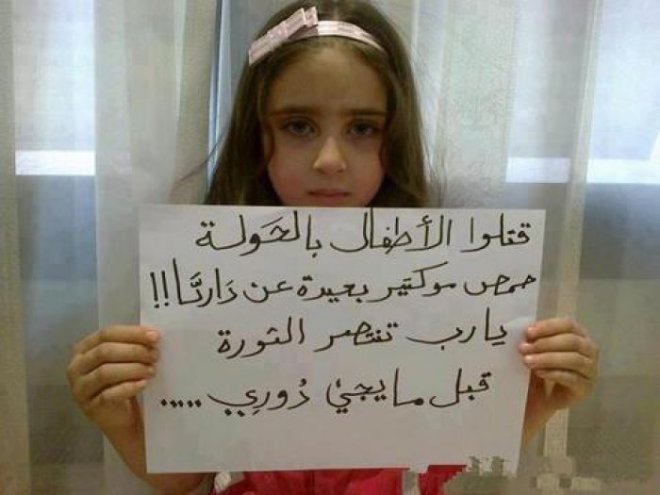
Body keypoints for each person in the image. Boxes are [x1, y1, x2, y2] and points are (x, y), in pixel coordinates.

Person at [66, 1, 599, 494]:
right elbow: (185, 476)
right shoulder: (204, 285)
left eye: (362, 128)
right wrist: (121, 421)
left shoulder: (443, 283)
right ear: (256, 135)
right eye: (298, 126)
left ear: (395, 138)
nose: (329, 160)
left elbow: (442, 456)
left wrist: (532, 403)